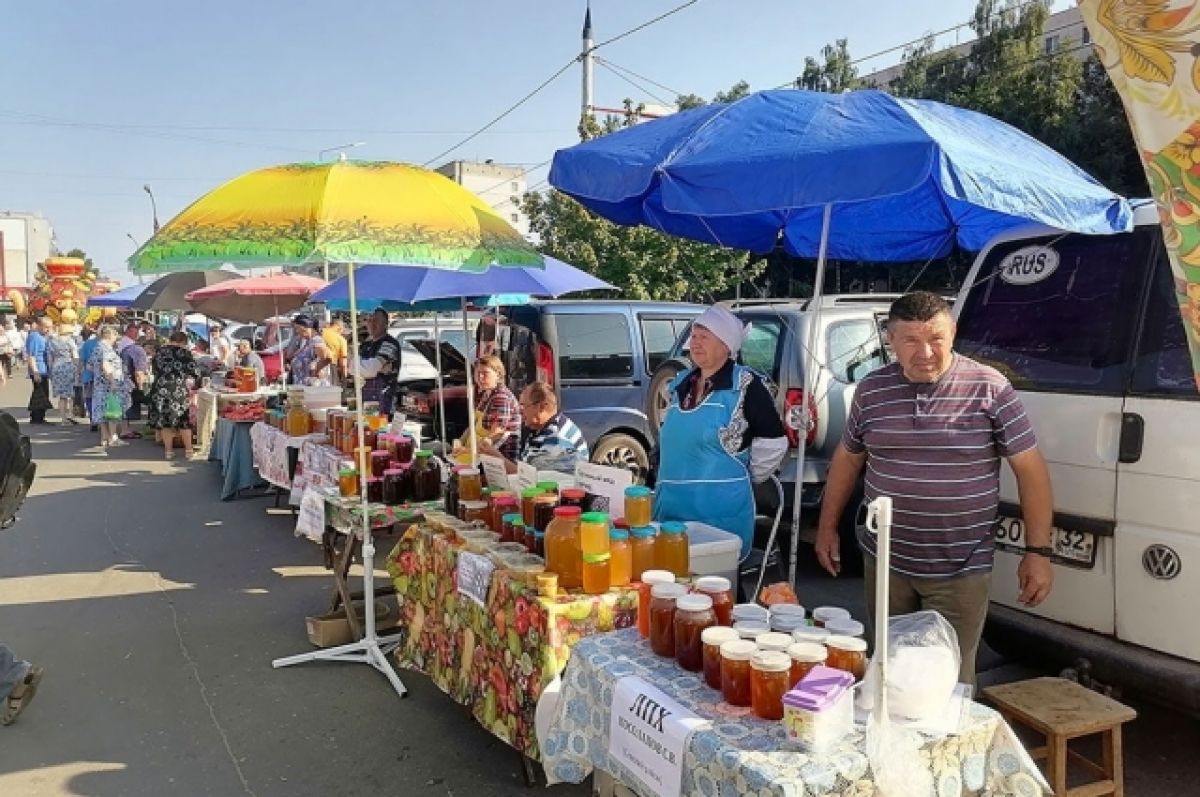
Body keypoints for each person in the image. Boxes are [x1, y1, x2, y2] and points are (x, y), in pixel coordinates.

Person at [815, 291, 1055, 686]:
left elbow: (1031, 471)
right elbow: (848, 459)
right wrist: (826, 528)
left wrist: (1039, 552)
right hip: (886, 564)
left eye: (937, 338)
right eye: (910, 340)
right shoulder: (871, 391)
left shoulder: (990, 388)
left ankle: (950, 750)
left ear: (954, 333)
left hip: (961, 567)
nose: (925, 352)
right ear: (889, 340)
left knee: (949, 686)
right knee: (889, 678)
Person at [653, 305, 788, 558]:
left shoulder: (746, 385)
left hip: (719, 521)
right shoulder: (680, 384)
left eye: (705, 336)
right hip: (670, 513)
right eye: (694, 335)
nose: (696, 342)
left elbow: (773, 442)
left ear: (726, 346)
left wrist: (740, 476)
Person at [479, 381, 588, 475]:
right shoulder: (539, 429)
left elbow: (533, 481)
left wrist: (496, 457)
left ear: (541, 407)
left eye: (524, 406)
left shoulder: (555, 438)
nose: (520, 411)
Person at [456, 354, 521, 460]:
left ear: (498, 375)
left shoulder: (501, 397)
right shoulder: (486, 395)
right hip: (479, 454)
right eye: (478, 373)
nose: (480, 377)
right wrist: (460, 444)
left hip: (498, 459)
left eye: (485, 373)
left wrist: (469, 451)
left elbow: (496, 435)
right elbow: (472, 427)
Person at [149, 331, 201, 460]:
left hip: (160, 389)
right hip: (177, 389)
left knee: (165, 421)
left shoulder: (159, 352)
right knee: (183, 420)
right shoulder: (184, 353)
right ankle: (189, 451)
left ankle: (168, 451)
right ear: (183, 342)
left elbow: (154, 369)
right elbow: (195, 372)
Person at [88, 324, 130, 450]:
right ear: (110, 335)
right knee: (112, 411)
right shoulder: (106, 349)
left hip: (99, 384)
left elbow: (89, 366)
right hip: (108, 385)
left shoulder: (97, 347)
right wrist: (112, 381)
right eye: (115, 335)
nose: (116, 338)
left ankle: (104, 437)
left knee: (103, 411)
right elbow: (106, 365)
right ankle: (113, 437)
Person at [357, 308, 401, 417]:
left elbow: (371, 369)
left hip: (384, 398)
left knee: (380, 428)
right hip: (366, 396)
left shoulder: (390, 343)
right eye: (369, 320)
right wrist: (364, 368)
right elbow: (352, 367)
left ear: (386, 324)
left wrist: (363, 367)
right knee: (368, 426)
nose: (372, 323)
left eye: (376, 320)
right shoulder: (366, 344)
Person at [46, 323, 80, 425]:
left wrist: (51, 370)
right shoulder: (70, 341)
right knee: (69, 394)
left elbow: (49, 358)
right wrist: (77, 368)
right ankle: (70, 415)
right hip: (68, 366)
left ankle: (63, 419)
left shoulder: (52, 341)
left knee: (62, 396)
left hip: (57, 367)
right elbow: (75, 356)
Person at [286, 314, 331, 385]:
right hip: (304, 386)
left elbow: (327, 358)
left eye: (299, 328)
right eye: (296, 329)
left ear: (308, 328)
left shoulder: (317, 340)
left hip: (313, 386)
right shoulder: (308, 341)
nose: (297, 331)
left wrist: (317, 370)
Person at [23, 317, 52, 425]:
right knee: (40, 393)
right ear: (39, 326)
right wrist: (35, 372)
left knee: (42, 393)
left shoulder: (42, 336)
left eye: (50, 327)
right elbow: (32, 356)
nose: (48, 330)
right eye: (46, 327)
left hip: (43, 369)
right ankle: (37, 417)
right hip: (38, 369)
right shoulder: (35, 337)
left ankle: (38, 416)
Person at [120, 330, 149, 435]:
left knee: (125, 406)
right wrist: (141, 387)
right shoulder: (139, 351)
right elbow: (139, 372)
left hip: (123, 380)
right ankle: (126, 431)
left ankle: (126, 429)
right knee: (129, 405)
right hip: (131, 382)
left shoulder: (125, 349)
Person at [79, 328, 101, 432]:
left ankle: (93, 419)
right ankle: (99, 420)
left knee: (90, 398)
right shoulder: (106, 345)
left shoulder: (87, 344)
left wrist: (79, 373)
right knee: (99, 398)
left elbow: (82, 360)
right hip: (101, 376)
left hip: (88, 375)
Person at [321, 317, 350, 382]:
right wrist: (344, 378)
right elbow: (343, 363)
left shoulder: (320, 332)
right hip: (330, 367)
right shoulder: (341, 340)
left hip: (314, 365)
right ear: (339, 328)